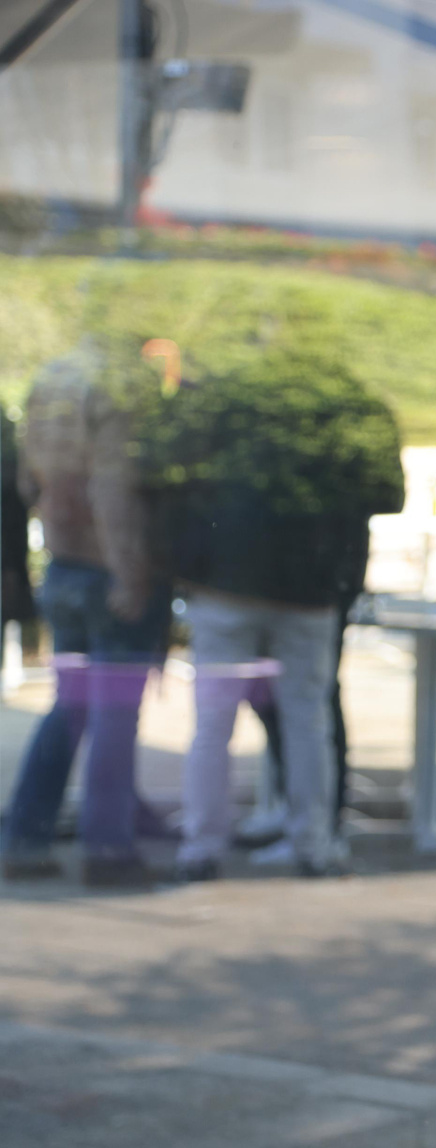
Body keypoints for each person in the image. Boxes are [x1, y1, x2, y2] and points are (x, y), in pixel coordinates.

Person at [157, 347, 404, 880]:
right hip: (303, 587)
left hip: (230, 583)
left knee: (217, 722)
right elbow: (387, 491)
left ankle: (203, 846)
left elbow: (178, 480)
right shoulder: (346, 403)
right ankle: (312, 843)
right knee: (306, 721)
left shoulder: (229, 398)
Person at [1, 343, 173, 887]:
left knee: (71, 707)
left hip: (65, 563)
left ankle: (25, 837)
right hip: (106, 569)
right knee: (113, 714)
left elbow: (30, 482)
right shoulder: (120, 384)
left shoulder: (55, 375)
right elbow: (112, 485)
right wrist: (129, 572)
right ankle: (109, 849)